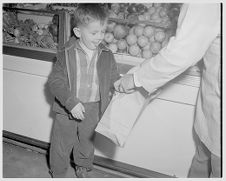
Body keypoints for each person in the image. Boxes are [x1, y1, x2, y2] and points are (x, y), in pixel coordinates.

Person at [114, 3, 221, 178]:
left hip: (218, 107)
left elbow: (181, 52)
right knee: (203, 157)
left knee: (216, 163)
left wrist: (137, 79)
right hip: (213, 102)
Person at [48, 4, 119, 178]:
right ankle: (58, 172)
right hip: (67, 107)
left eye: (102, 32)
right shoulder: (65, 52)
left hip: (93, 106)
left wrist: (125, 86)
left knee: (86, 141)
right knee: (61, 143)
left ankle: (83, 166)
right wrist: (71, 102)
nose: (100, 37)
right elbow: (55, 82)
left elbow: (113, 78)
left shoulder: (107, 54)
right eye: (94, 33)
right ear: (78, 32)